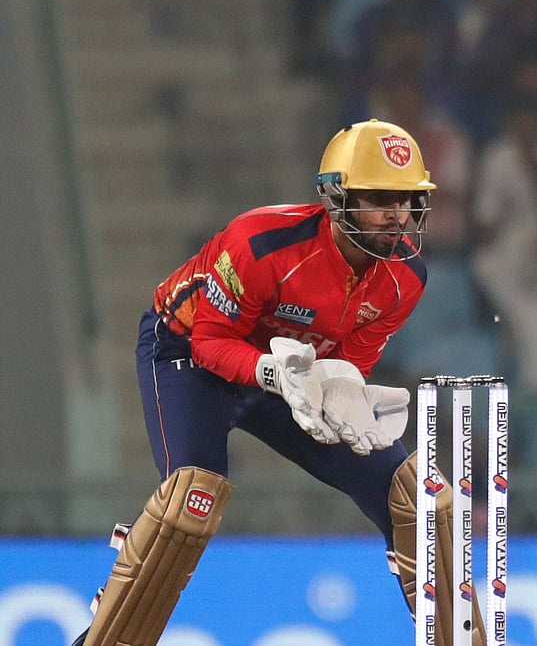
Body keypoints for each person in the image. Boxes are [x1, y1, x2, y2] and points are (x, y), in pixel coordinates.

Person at [71, 120, 485, 646]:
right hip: (187, 353)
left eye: (407, 200)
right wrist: (269, 371)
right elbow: (210, 342)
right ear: (337, 199)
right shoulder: (262, 242)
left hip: (293, 379)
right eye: (381, 198)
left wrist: (345, 394)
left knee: (421, 498)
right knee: (189, 503)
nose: (397, 216)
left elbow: (348, 362)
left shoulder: (406, 277)